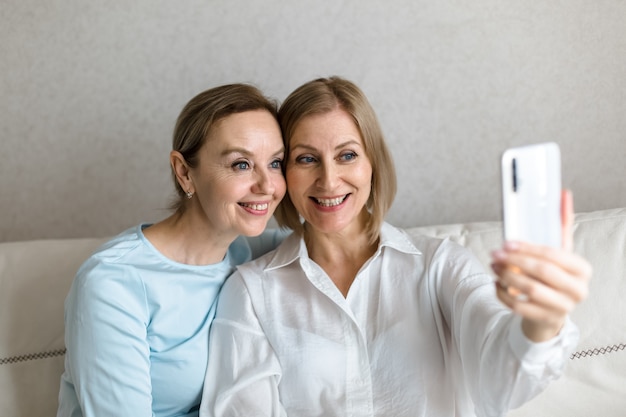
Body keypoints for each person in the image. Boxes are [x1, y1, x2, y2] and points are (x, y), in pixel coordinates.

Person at [199, 76, 592, 416]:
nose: (329, 180)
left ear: (373, 163)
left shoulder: (441, 266)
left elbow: (504, 378)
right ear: (284, 173)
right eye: (306, 159)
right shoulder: (251, 293)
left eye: (347, 155)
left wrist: (542, 321)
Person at [57, 83, 289, 417]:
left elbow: (342, 241)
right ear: (184, 172)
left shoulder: (256, 252)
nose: (267, 186)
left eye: (275, 163)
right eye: (241, 164)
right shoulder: (113, 283)